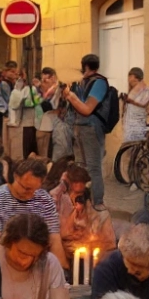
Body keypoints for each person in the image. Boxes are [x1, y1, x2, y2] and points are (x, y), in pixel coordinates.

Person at [0, 156, 64, 264]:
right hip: (4, 259)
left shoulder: (44, 199)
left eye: (35, 189)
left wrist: (61, 269)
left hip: (37, 259)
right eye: (26, 188)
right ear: (15, 177)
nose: (30, 194)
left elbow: (54, 238)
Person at [60, 55, 110, 206]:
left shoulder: (99, 83)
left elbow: (87, 109)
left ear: (85, 66)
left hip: (91, 129)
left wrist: (71, 96)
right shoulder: (82, 82)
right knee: (82, 168)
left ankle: (98, 204)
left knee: (94, 168)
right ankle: (85, 202)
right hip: (79, 129)